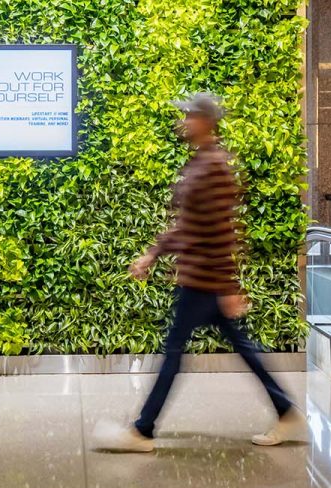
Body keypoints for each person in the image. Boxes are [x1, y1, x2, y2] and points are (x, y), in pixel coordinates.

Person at [96, 93, 309, 452]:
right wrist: (153, 254)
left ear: (206, 121)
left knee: (175, 351)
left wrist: (228, 286)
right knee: (238, 348)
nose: (184, 121)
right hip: (201, 279)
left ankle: (142, 431)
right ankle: (287, 412)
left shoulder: (213, 167)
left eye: (190, 115)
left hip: (203, 281)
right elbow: (188, 224)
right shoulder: (201, 162)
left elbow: (223, 231)